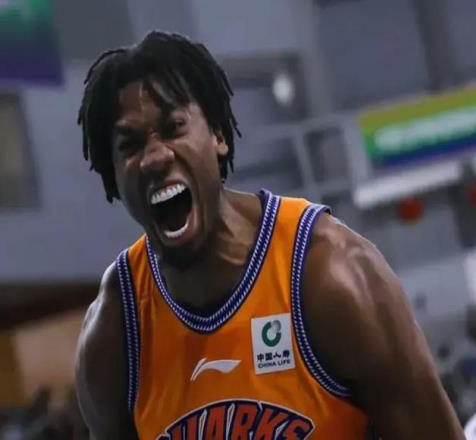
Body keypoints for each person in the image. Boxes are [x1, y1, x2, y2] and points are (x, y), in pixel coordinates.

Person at [75, 31, 464, 439]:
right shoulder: (115, 334)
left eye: (174, 127)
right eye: (130, 146)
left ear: (217, 136)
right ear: (113, 176)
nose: (155, 157)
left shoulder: (329, 274)